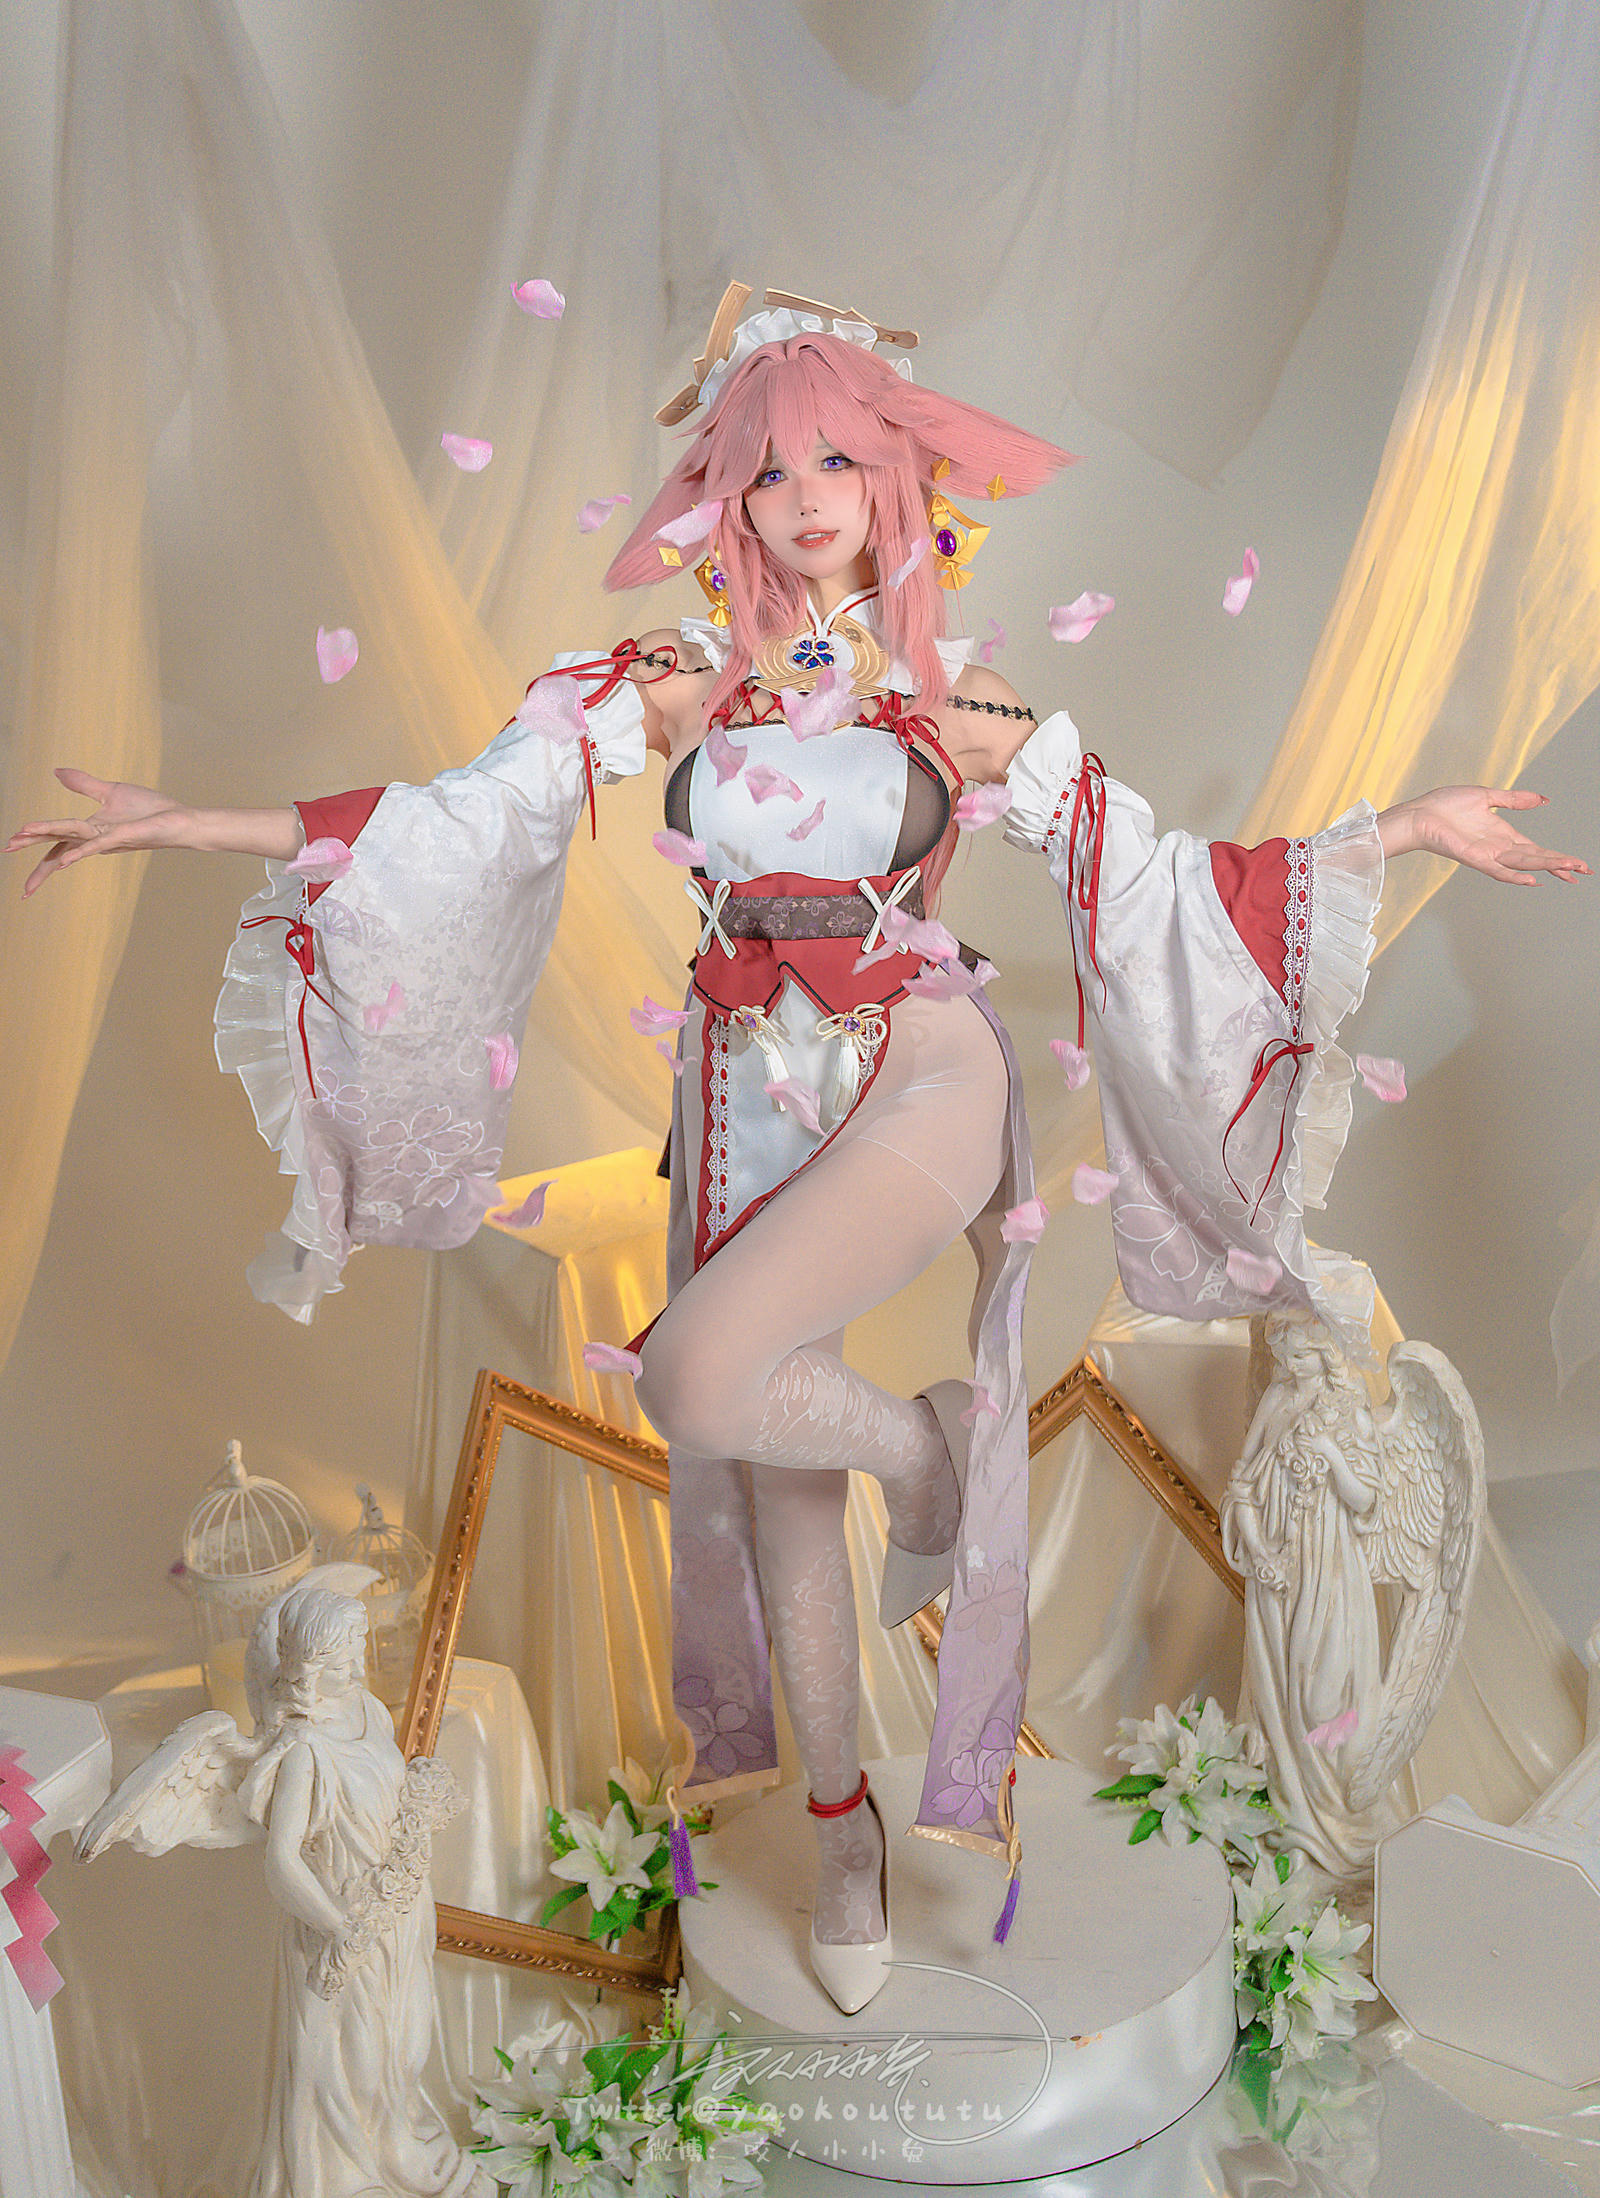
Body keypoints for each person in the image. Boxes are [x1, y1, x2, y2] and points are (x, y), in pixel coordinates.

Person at [9, 286, 1585, 2019]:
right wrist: (203, 824)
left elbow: (1150, 868)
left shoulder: (952, 704)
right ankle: (844, 1825)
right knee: (767, 1470)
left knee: (696, 1375)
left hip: (917, 1067)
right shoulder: (679, 682)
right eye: (769, 469)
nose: (806, 495)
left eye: (837, 459)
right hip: (740, 1090)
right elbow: (463, 814)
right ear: (731, 500)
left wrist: (1397, 825)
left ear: (893, 479)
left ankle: (926, 1456)